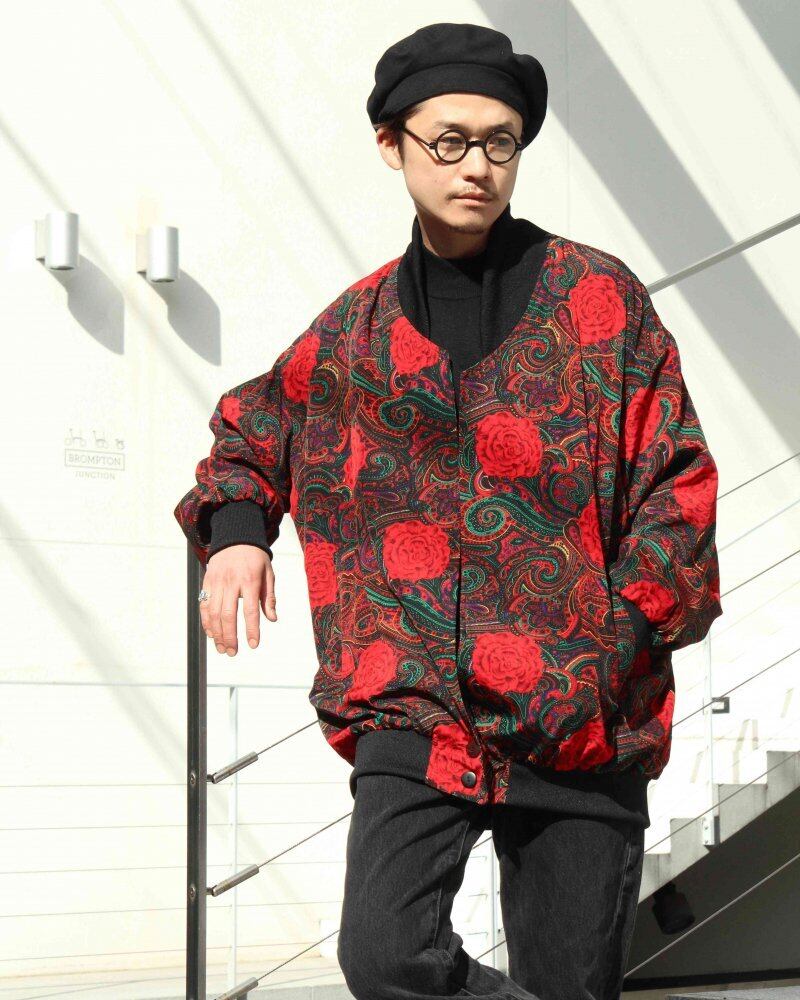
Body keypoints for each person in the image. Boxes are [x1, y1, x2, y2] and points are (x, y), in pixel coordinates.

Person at [174, 22, 723, 1000]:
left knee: (570, 982)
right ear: (392, 143)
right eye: (451, 139)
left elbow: (675, 482)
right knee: (384, 954)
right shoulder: (352, 335)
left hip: (581, 721)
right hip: (410, 700)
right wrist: (237, 536)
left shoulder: (599, 302)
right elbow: (254, 428)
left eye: (500, 142)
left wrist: (615, 638)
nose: (477, 165)